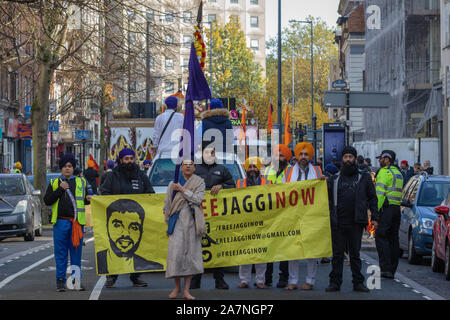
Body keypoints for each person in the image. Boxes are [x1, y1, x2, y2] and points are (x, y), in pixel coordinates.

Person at [100, 148, 156, 288]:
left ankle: (136, 277)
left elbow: (150, 192)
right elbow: (104, 193)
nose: (129, 161)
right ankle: (112, 276)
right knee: (115, 248)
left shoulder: (141, 175)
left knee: (137, 248)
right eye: (126, 159)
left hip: (135, 221)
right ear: (121, 160)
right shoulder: (112, 176)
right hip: (117, 219)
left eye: (131, 158)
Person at [325, 146, 378, 293]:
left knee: (355, 254)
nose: (348, 159)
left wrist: (374, 217)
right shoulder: (334, 179)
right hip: (338, 222)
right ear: (342, 159)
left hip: (356, 221)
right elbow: (324, 198)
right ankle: (335, 282)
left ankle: (358, 283)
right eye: (345, 157)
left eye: (350, 157)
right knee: (337, 255)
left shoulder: (364, 177)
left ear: (355, 158)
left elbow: (372, 198)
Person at [190, 141, 236, 290]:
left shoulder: (222, 170)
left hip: (217, 217)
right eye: (206, 152)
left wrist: (222, 186)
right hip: (198, 214)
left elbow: (233, 186)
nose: (209, 154)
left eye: (211, 152)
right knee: (197, 248)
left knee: (217, 248)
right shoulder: (195, 169)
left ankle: (219, 280)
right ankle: (195, 280)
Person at [43, 154, 92, 292]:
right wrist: (60, 189)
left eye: (70, 166)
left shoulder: (82, 182)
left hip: (76, 224)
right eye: (65, 166)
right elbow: (47, 201)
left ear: (73, 168)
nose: (67, 169)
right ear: (61, 168)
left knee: (76, 253)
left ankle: (76, 281)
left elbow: (85, 200)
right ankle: (60, 281)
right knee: (61, 253)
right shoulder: (54, 182)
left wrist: (89, 198)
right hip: (60, 223)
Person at [282, 142, 325, 291]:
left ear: (310, 156)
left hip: (312, 216)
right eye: (301, 154)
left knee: (311, 250)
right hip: (292, 217)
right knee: (292, 250)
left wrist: (324, 182)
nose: (303, 157)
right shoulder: (287, 173)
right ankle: (292, 281)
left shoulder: (318, 171)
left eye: (306, 154)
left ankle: (310, 281)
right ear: (296, 155)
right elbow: (280, 193)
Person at [164, 159, 206, 300]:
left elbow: (198, 199)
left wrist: (182, 190)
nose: (188, 166)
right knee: (176, 255)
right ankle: (177, 287)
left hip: (192, 223)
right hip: (176, 224)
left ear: (194, 168)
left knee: (190, 256)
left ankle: (187, 291)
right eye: (185, 164)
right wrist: (168, 225)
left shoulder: (199, 182)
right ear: (181, 167)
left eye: (191, 164)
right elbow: (167, 205)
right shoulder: (172, 184)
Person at [96, 199, 163, 274]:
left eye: (134, 227)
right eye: (117, 225)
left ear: (142, 232)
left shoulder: (155, 265)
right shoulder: (98, 259)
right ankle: (112, 277)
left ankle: (136, 277)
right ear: (106, 227)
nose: (126, 234)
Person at [237, 157, 270, 289]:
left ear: (259, 169)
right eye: (249, 167)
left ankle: (260, 280)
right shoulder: (239, 183)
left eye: (254, 167)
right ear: (246, 168)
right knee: (245, 252)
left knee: (261, 252)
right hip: (245, 223)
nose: (252, 169)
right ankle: (244, 280)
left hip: (262, 222)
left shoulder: (268, 182)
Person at [263, 144, 291, 288]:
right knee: (269, 247)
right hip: (269, 216)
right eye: (277, 155)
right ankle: (267, 278)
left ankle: (283, 278)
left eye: (282, 155)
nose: (279, 158)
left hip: (286, 215)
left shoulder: (292, 172)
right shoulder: (266, 171)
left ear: (286, 157)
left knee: (284, 248)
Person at [373, 150, 403, 279]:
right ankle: (392, 269)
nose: (379, 161)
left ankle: (385, 268)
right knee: (393, 238)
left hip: (386, 209)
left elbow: (379, 195)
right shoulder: (398, 173)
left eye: (381, 158)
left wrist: (375, 213)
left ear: (387, 159)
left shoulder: (384, 172)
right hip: (396, 209)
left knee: (381, 235)